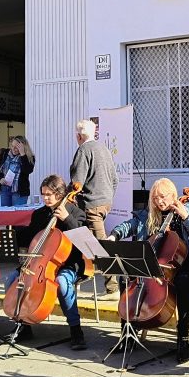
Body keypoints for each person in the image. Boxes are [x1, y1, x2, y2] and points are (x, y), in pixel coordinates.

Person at [108, 178, 189, 362]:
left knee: (185, 282)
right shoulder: (148, 215)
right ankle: (127, 332)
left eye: (163, 197)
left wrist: (185, 217)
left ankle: (183, 336)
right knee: (125, 277)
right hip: (155, 265)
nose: (159, 202)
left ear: (173, 195)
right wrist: (114, 235)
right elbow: (129, 225)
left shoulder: (188, 211)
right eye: (155, 198)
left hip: (183, 266)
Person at [4, 175, 88, 349]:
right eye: (43, 194)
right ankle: (23, 325)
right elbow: (29, 237)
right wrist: (9, 236)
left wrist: (67, 219)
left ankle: (76, 329)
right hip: (39, 263)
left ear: (60, 194)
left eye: (49, 194)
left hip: (69, 263)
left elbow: (83, 241)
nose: (45, 198)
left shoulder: (75, 212)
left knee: (62, 282)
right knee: (11, 279)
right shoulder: (40, 214)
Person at [69, 119, 119, 292]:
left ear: (79, 136)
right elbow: (115, 180)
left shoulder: (83, 150)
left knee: (100, 246)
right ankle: (81, 275)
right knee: (84, 242)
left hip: (91, 204)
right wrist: (107, 197)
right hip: (104, 203)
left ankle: (112, 287)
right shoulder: (104, 149)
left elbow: (77, 183)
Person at [0, 136, 35, 207]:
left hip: (19, 191)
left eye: (17, 147)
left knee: (18, 212)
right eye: (12, 146)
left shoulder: (29, 157)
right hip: (4, 189)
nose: (13, 149)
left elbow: (27, 170)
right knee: (4, 212)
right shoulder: (5, 154)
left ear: (23, 147)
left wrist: (23, 154)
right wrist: (0, 178)